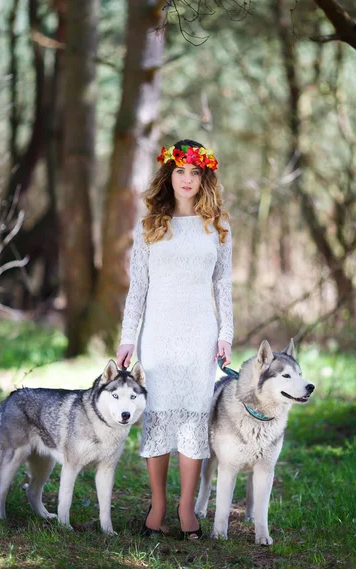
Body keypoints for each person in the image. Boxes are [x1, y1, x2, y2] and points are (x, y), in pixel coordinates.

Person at [116, 139, 234, 539]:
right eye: (180, 171)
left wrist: (226, 334)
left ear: (205, 177)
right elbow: (138, 289)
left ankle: (186, 508)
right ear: (169, 175)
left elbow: (223, 286)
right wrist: (127, 338)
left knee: (193, 418)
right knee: (159, 416)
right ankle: (158, 505)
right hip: (159, 334)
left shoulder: (218, 226)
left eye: (194, 172)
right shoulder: (149, 226)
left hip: (200, 333)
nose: (187, 179)